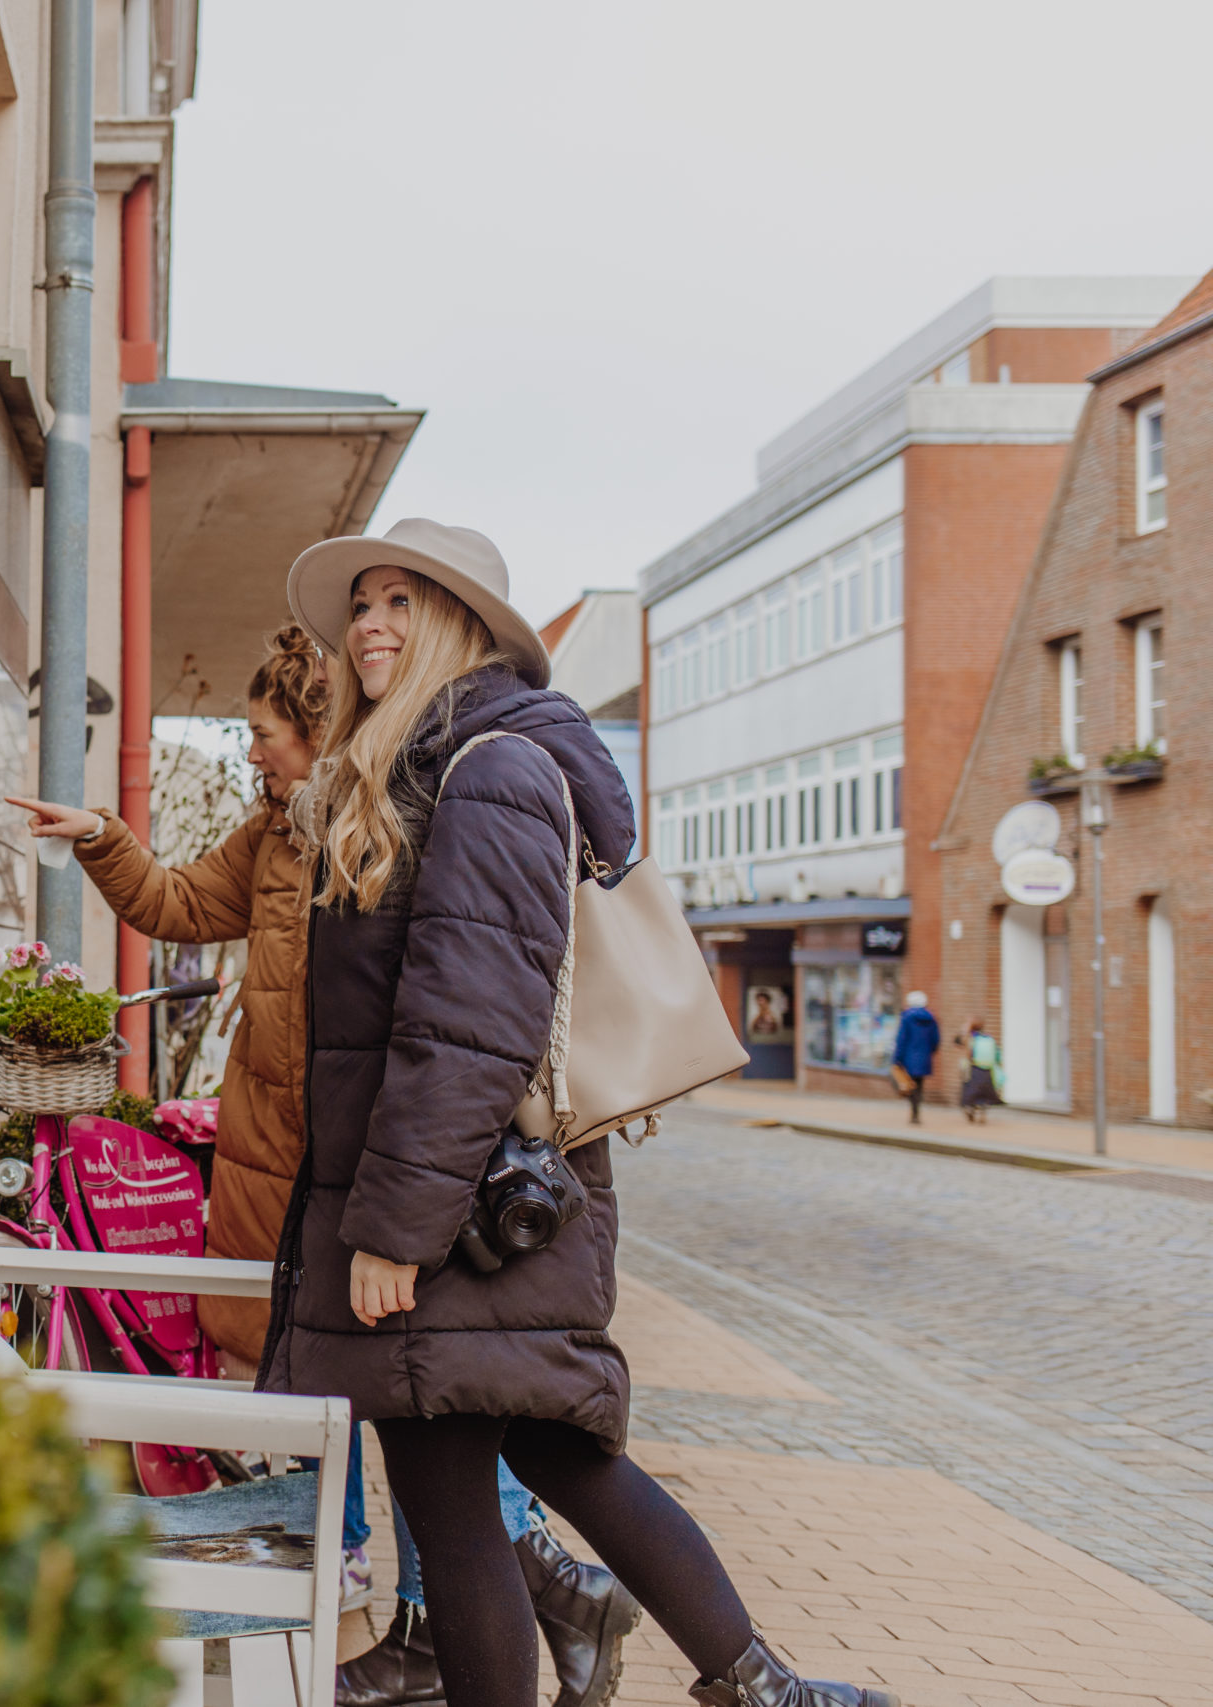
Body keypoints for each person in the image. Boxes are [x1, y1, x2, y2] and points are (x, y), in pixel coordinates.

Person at [263, 518, 897, 1707]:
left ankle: (760, 1683)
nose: (367, 626)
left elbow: (469, 1023)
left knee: (457, 1507)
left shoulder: (487, 771)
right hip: (453, 1199)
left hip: (452, 1208)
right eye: (360, 605)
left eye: (398, 601)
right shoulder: (421, 769)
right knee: (551, 1453)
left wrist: (395, 1228)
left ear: (458, 623)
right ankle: (759, 1686)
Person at [7, 628, 633, 1707]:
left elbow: (450, 1009)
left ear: (309, 727)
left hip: (377, 1171)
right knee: (397, 1408)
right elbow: (179, 906)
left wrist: (403, 1182)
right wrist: (102, 838)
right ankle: (479, 1611)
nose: (250, 753)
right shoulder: (273, 833)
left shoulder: (400, 811)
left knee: (434, 1406)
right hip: (298, 1167)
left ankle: (509, 1601)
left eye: (260, 734)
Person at [890, 993, 939, 1125]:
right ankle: (916, 1111)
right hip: (924, 1057)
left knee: (908, 1084)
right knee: (919, 1085)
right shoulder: (931, 1018)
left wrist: (897, 1058)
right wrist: (930, 1052)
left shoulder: (907, 1017)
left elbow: (902, 1039)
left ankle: (914, 1112)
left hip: (909, 1056)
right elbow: (935, 1040)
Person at [958, 1021, 1001, 1123]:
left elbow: (967, 1053)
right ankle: (982, 1112)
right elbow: (997, 1055)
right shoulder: (989, 1039)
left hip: (975, 1069)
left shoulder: (972, 1039)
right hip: (987, 1070)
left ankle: (970, 1111)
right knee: (984, 1093)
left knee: (971, 1093)